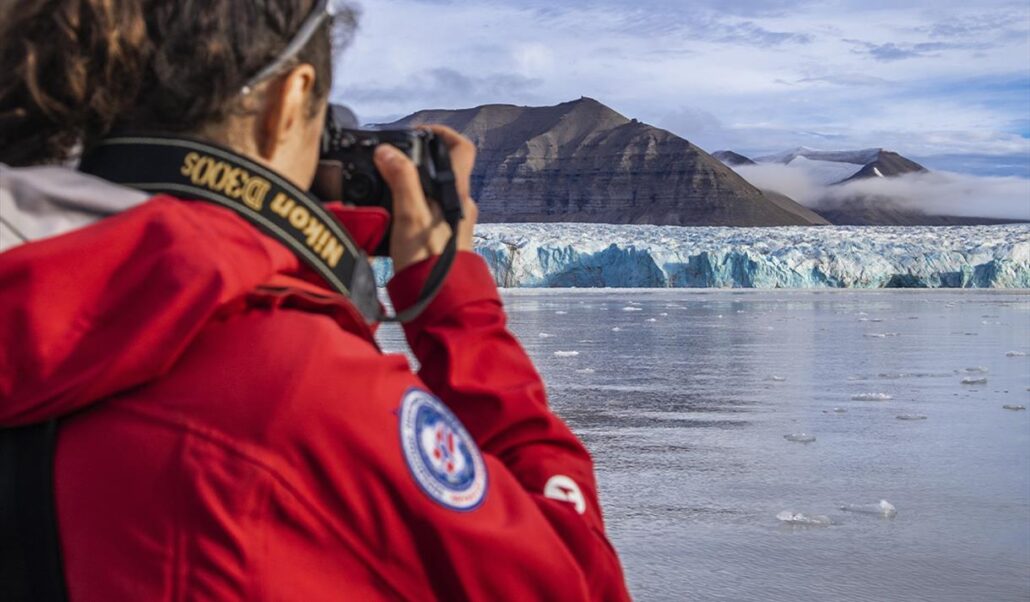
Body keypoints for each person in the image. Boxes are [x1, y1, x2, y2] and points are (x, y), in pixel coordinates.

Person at [0, 0, 631, 600]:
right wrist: (457, 309)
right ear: (289, 98)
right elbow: (574, 580)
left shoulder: (28, 294)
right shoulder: (289, 384)